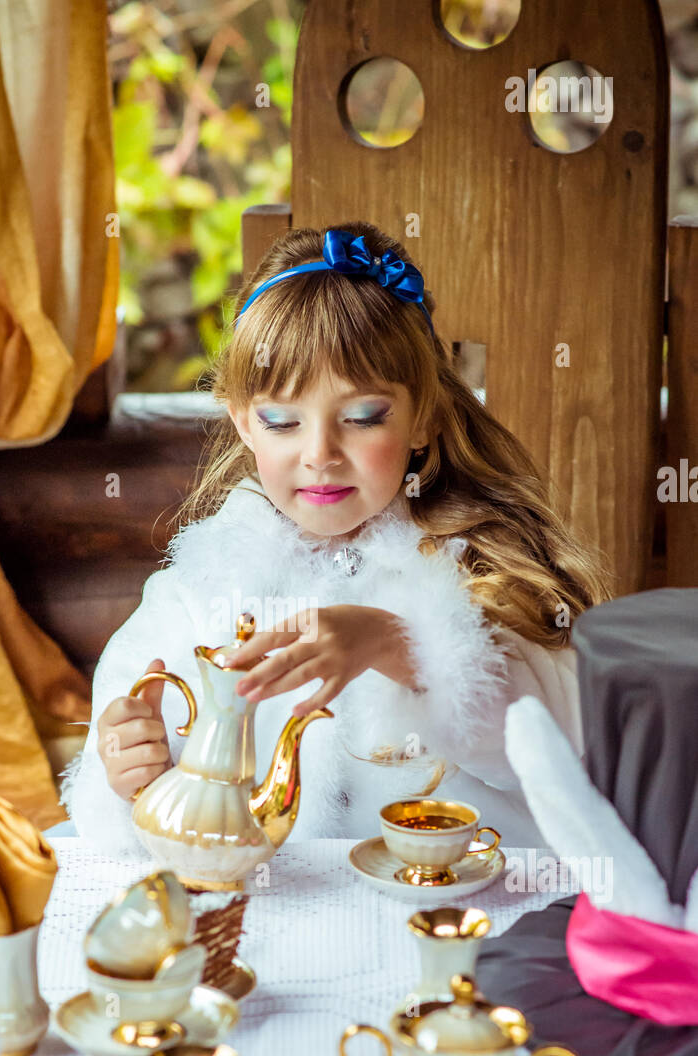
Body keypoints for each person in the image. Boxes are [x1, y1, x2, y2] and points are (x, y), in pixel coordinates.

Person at [61, 222, 610, 856]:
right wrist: (130, 771)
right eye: (282, 421)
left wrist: (396, 642)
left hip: (472, 908)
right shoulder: (202, 585)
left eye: (361, 417)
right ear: (244, 423)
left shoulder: (483, 560)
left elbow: (574, 743)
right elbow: (131, 733)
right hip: (283, 916)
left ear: (424, 414)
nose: (319, 454)